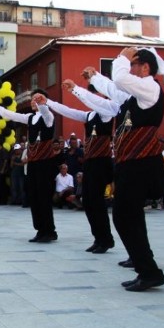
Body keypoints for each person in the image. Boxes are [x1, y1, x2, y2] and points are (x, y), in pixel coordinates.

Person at [83, 46, 164, 291]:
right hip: (131, 163)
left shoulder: (151, 87)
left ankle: (149, 270)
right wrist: (93, 78)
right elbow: (113, 87)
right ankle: (143, 265)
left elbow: (119, 78)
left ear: (145, 67)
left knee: (123, 215)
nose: (129, 68)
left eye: (133, 64)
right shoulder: (136, 96)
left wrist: (122, 55)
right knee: (130, 215)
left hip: (141, 162)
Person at [44, 80, 115, 253]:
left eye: (97, 95)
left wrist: (75, 90)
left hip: (101, 161)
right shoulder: (89, 116)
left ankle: (106, 239)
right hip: (90, 161)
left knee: (97, 201)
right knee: (88, 201)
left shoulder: (107, 112)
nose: (95, 98)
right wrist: (48, 102)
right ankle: (98, 238)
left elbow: (91, 101)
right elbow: (68, 111)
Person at [0, 91, 58, 242]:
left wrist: (43, 103)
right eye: (32, 99)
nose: (33, 101)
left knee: (44, 197)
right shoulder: (30, 118)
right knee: (34, 196)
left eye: (36, 99)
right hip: (33, 162)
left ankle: (49, 231)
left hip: (45, 162)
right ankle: (39, 229)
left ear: (43, 100)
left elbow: (45, 113)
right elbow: (9, 114)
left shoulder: (48, 116)